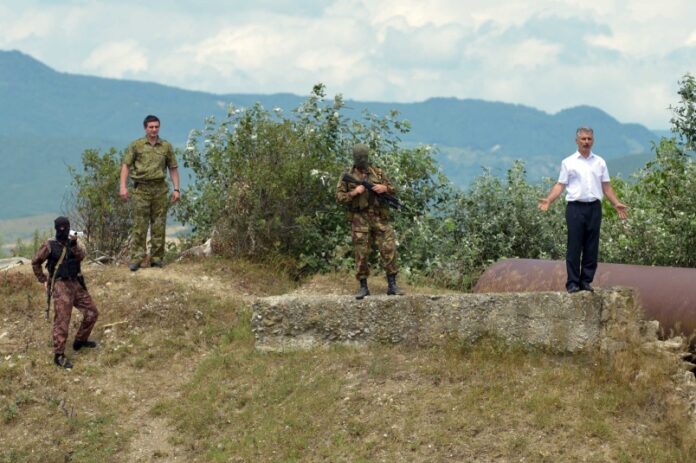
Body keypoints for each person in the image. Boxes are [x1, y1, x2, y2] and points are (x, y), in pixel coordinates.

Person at [538, 127, 628, 293]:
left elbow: (606, 187)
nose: (586, 142)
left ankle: (586, 281)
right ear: (577, 141)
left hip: (594, 207)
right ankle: (572, 283)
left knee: (591, 246)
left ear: (593, 140)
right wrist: (549, 199)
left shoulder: (600, 162)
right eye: (583, 139)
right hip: (575, 208)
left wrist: (616, 203)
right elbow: (560, 185)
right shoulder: (568, 162)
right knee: (574, 246)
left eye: (589, 139)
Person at [336, 143, 405, 299]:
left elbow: (393, 189)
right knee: (361, 253)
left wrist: (384, 188)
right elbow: (339, 197)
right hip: (359, 219)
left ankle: (392, 285)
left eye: (363, 157)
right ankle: (363, 287)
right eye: (359, 158)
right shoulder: (347, 175)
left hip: (379, 217)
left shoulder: (377, 172)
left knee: (389, 248)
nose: (362, 160)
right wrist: (354, 192)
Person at [32, 217, 99, 369]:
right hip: (60, 285)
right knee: (62, 321)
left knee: (92, 312)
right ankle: (59, 355)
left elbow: (81, 257)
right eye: (60, 227)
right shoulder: (50, 245)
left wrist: (74, 243)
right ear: (56, 228)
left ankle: (80, 341)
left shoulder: (73, 243)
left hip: (75, 283)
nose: (63, 230)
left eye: (65, 227)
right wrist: (43, 279)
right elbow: (35, 262)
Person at [120, 115, 180, 271]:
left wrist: (176, 189)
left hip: (160, 189)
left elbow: (173, 168)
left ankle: (157, 259)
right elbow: (126, 166)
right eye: (151, 127)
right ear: (145, 128)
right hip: (141, 189)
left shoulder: (166, 146)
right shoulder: (136, 145)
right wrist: (123, 187)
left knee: (159, 225)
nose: (154, 130)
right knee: (140, 225)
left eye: (156, 127)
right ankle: (137, 258)